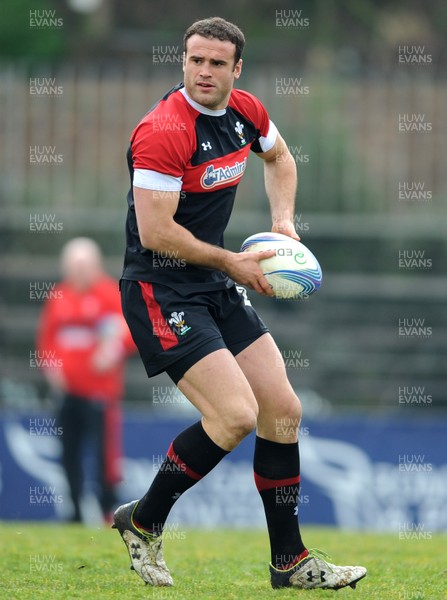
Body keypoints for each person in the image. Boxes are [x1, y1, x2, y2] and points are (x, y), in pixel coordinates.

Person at [114, 17, 367, 590]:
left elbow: (279, 159)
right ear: (183, 61)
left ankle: (290, 563)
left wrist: (283, 224)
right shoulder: (162, 130)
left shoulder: (245, 113)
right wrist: (232, 262)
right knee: (234, 416)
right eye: (195, 60)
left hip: (215, 281)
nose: (204, 71)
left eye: (216, 63)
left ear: (237, 69)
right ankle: (145, 520)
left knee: (283, 410)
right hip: (161, 289)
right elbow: (155, 232)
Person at [37, 237, 135, 523]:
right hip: (67, 393)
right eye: (73, 265)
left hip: (100, 392)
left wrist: (110, 351)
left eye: (83, 264)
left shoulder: (108, 294)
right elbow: (47, 340)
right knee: (69, 453)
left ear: (96, 265)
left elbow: (126, 333)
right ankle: (76, 513)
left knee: (105, 456)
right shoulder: (59, 296)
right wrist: (52, 368)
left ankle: (108, 513)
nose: (78, 270)